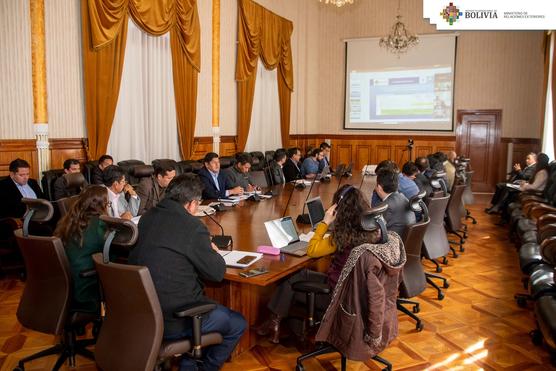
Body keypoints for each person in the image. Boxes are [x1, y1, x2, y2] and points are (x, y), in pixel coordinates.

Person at [257, 185, 405, 344]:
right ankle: (276, 324)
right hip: (355, 295)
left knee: (289, 280)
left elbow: (312, 250)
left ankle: (275, 323)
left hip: (336, 297)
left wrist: (325, 222)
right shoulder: (374, 231)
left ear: (339, 209)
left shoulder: (342, 236)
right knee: (296, 275)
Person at [128, 174, 246, 370]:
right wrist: (213, 250)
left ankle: (189, 362)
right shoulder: (192, 227)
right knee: (237, 323)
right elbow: (216, 274)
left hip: (143, 312)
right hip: (175, 318)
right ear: (192, 204)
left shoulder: (147, 217)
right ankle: (203, 367)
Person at [54, 185, 108, 314]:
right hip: (85, 289)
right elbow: (110, 253)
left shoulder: (69, 220)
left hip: (65, 288)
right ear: (103, 204)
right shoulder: (99, 224)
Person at [372, 167, 416, 237]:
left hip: (394, 243)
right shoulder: (403, 197)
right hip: (406, 240)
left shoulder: (386, 206)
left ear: (379, 188)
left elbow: (375, 231)